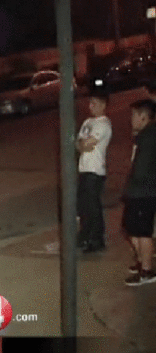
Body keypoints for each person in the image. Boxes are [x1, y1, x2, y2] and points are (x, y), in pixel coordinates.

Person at [123, 99, 156, 286]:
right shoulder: (144, 135)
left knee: (142, 232)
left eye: (134, 115)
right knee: (132, 229)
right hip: (139, 191)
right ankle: (142, 262)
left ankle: (147, 270)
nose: (131, 119)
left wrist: (133, 183)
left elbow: (141, 168)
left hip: (144, 192)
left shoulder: (149, 137)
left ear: (143, 117)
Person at [75, 92, 112, 253]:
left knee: (92, 207)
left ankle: (96, 238)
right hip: (84, 168)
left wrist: (82, 144)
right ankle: (85, 235)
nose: (91, 107)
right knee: (83, 206)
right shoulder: (87, 122)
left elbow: (87, 144)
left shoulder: (103, 124)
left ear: (103, 105)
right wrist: (82, 144)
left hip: (95, 170)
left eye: (95, 103)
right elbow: (79, 144)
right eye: (90, 103)